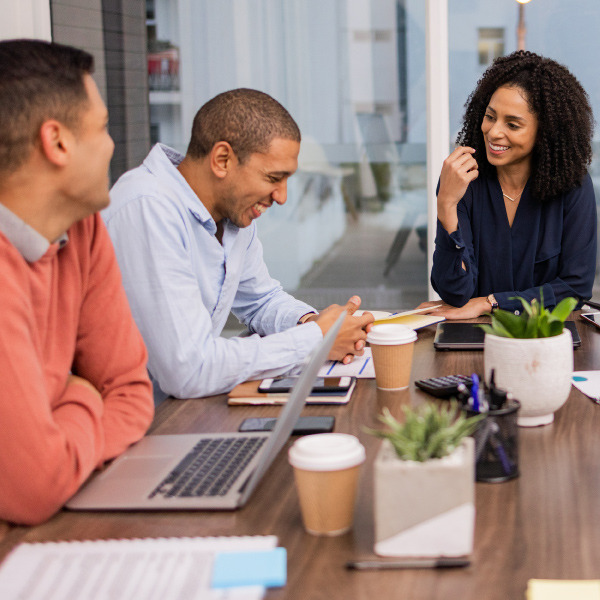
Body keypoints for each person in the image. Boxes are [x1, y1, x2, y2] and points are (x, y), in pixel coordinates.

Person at [104, 88, 373, 403]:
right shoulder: (147, 209)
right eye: (273, 178)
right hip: (142, 430)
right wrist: (315, 340)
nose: (282, 197)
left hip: (188, 412)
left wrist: (314, 323)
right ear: (222, 160)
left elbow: (260, 301)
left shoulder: (231, 215)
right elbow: (188, 371)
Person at [0, 40, 154, 525]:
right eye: (102, 127)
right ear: (57, 141)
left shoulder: (82, 227)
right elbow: (32, 488)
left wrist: (60, 420)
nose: (112, 145)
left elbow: (130, 391)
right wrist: (85, 395)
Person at [426, 50, 596, 319]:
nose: (494, 132)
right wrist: (446, 204)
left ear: (545, 133)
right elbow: (456, 293)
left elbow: (575, 288)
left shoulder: (573, 185)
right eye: (490, 116)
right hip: (473, 338)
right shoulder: (462, 180)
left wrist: (490, 302)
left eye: (513, 124)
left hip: (546, 337)